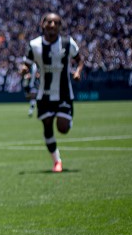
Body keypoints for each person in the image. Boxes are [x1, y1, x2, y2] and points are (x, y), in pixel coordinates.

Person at [19, 13, 84, 173]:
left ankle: (67, 121)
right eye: (49, 22)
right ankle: (57, 161)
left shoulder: (68, 43)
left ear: (60, 26)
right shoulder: (34, 45)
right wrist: (24, 70)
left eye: (56, 23)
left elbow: (80, 59)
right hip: (44, 94)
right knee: (47, 126)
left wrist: (77, 71)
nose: (52, 25)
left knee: (62, 128)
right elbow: (26, 63)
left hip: (64, 93)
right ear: (42, 24)